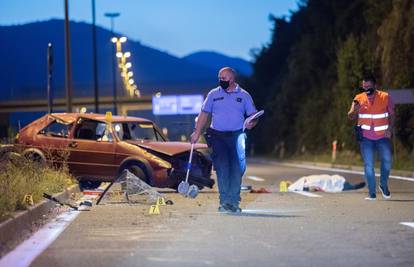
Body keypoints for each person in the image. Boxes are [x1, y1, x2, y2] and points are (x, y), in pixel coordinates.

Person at [191, 67, 258, 212]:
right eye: (219, 78)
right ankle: (224, 201)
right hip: (217, 137)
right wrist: (196, 132)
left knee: (236, 169)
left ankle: (234, 202)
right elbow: (204, 114)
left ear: (232, 79)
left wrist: (252, 122)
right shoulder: (213, 94)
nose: (221, 81)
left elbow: (253, 115)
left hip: (237, 136)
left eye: (224, 78)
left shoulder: (244, 95)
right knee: (222, 168)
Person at [347, 74, 394, 200]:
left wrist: (390, 128)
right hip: (366, 137)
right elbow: (350, 116)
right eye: (364, 87)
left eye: (369, 86)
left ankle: (383, 185)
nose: (366, 89)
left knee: (387, 162)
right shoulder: (358, 98)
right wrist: (355, 110)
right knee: (369, 165)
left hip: (382, 135)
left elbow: (392, 115)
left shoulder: (385, 97)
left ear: (375, 85)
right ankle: (372, 192)